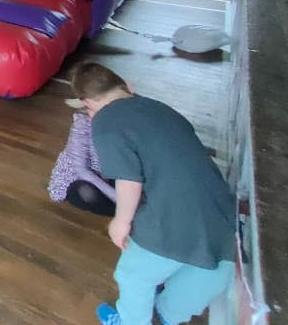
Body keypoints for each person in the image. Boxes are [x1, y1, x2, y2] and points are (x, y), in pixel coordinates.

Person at [71, 62, 236, 325]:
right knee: (210, 269)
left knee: (133, 275)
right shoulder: (160, 108)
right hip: (222, 214)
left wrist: (121, 222)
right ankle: (167, 316)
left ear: (88, 102)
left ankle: (130, 321)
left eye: (88, 109)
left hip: (173, 219)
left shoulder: (105, 121)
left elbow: (129, 179)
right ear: (126, 86)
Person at [47, 111, 116, 217]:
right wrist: (115, 196)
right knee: (85, 191)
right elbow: (82, 171)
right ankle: (119, 212)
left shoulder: (120, 123)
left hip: (106, 174)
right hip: (78, 180)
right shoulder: (83, 125)